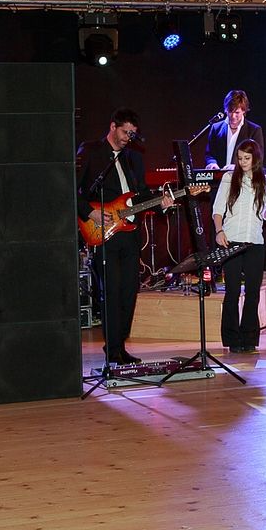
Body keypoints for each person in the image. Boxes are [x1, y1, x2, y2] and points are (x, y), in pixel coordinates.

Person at [76, 108, 173, 365]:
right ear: (112, 126)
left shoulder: (134, 159)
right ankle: (113, 348)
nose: (127, 138)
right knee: (111, 290)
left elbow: (141, 196)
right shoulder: (91, 151)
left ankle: (120, 344)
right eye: (124, 132)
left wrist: (160, 204)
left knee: (129, 290)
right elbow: (71, 187)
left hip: (129, 233)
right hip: (103, 231)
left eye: (132, 134)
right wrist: (90, 213)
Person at [212, 139, 266, 354]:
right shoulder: (229, 178)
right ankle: (232, 338)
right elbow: (217, 209)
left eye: (247, 158)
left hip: (255, 241)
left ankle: (249, 337)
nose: (243, 162)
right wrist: (219, 231)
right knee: (232, 291)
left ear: (255, 158)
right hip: (231, 240)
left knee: (252, 292)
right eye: (240, 158)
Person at [204, 89, 265, 170]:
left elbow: (257, 158)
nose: (233, 116)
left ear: (244, 111)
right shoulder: (216, 128)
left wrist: (237, 167)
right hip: (220, 177)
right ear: (226, 110)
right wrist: (212, 164)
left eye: (237, 112)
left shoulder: (254, 130)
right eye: (230, 111)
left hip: (242, 176)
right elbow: (209, 154)